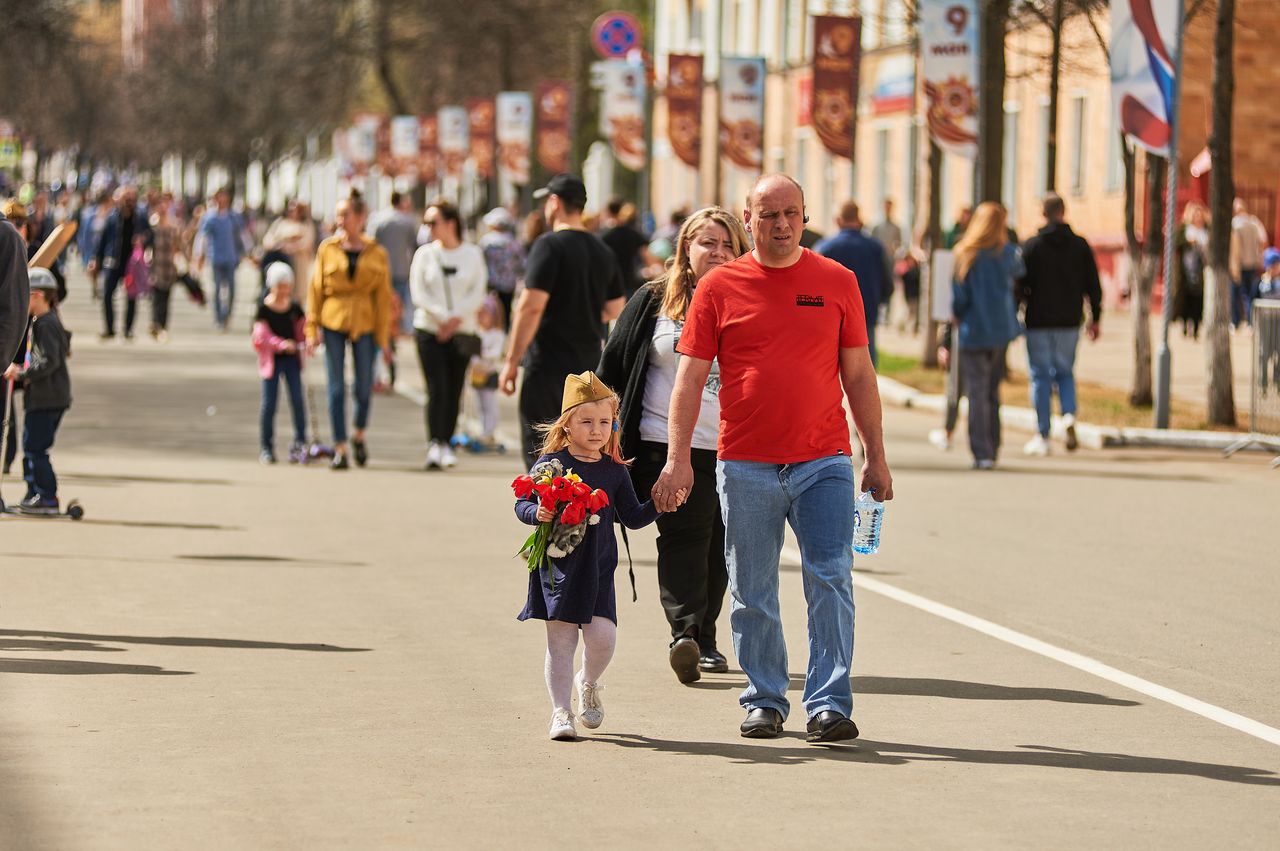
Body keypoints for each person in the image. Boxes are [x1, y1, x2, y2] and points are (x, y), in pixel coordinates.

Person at [651, 174, 893, 743]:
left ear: (804, 216)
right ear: (748, 218)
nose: (781, 225)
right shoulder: (720, 289)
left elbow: (858, 374)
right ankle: (764, 698)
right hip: (746, 463)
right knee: (752, 587)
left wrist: (874, 455)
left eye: (791, 214)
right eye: (768, 215)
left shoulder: (837, 281)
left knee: (830, 578)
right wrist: (677, 458)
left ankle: (829, 703)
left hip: (824, 461)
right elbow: (688, 380)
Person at [597, 206, 750, 683]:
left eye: (728, 245)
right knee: (686, 533)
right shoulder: (653, 301)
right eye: (708, 242)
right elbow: (613, 367)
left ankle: (705, 634)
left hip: (734, 445)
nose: (718, 252)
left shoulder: (751, 302)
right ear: (686, 247)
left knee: (724, 545)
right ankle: (686, 633)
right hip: (665, 444)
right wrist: (593, 432)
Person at [514, 371, 661, 740]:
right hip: (558, 569)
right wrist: (537, 513)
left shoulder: (614, 471)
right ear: (567, 425)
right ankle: (561, 712)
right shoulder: (552, 465)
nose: (597, 430)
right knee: (560, 642)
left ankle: (589, 681)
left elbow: (632, 517)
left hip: (597, 572)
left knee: (602, 639)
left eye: (605, 422)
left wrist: (660, 504)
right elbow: (523, 502)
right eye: (587, 421)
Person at [499, 174, 626, 467]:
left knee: (542, 448)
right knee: (581, 449)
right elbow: (615, 308)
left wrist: (511, 360)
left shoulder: (549, 246)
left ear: (554, 203)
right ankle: (575, 509)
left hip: (548, 363)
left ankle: (547, 509)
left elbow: (531, 307)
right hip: (587, 367)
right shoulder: (602, 251)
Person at [306, 189, 393, 471]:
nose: (339, 220)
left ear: (360, 217)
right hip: (333, 320)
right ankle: (340, 446)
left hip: (366, 322)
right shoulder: (327, 248)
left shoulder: (377, 252)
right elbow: (316, 289)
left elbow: (383, 297)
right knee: (335, 386)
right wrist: (311, 328)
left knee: (364, 385)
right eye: (338, 215)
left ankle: (358, 433)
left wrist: (385, 338)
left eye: (345, 215)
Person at [1017, 193, 1102, 456]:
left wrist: (1016, 311)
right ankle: (1068, 415)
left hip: (1039, 321)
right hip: (1069, 321)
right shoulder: (1080, 245)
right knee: (1065, 372)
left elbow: (1020, 285)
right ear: (1063, 212)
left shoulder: (1032, 246)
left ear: (1044, 213)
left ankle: (1043, 434)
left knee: (1040, 376)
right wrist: (1095, 317)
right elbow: (1093, 285)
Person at [410, 198, 488, 470]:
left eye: (434, 222)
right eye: (426, 222)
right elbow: (419, 293)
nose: (429, 228)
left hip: (462, 331)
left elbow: (477, 292)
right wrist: (442, 319)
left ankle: (447, 441)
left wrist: (454, 321)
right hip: (429, 330)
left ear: (451, 223)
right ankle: (434, 442)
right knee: (437, 387)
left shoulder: (472, 254)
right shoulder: (425, 254)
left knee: (455, 388)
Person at [951, 202, 1024, 470]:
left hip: (973, 328)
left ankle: (981, 451)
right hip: (1001, 329)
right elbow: (1017, 281)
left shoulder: (965, 254)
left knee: (977, 392)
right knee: (993, 390)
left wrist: (957, 315)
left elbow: (960, 297)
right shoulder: (1008, 254)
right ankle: (993, 446)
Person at [3, 269, 70, 514]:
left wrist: (22, 374)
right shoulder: (40, 322)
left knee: (35, 448)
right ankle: (33, 491)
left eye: (25, 295)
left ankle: (47, 495)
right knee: (30, 445)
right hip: (41, 397)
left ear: (38, 295)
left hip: (48, 398)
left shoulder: (47, 324)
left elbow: (49, 361)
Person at [815, 201, 885, 366]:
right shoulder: (875, 247)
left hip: (831, 317)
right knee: (865, 368)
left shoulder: (825, 248)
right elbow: (887, 282)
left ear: (838, 220)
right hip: (866, 313)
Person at [253, 263, 308, 465]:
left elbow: (304, 329)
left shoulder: (294, 308)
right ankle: (266, 447)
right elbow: (260, 337)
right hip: (272, 362)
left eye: (287, 285)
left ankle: (300, 442)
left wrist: (308, 339)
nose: (284, 290)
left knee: (297, 401)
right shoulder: (263, 309)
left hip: (292, 361)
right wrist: (281, 344)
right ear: (272, 286)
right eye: (280, 286)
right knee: (269, 404)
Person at [90, 185, 149, 340]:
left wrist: (143, 239)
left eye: (131, 199)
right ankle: (109, 328)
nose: (128, 201)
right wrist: (96, 258)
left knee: (131, 297)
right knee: (107, 295)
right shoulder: (112, 216)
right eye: (125, 198)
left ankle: (128, 329)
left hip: (132, 263)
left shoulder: (140, 217)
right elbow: (102, 239)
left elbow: (150, 235)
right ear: (119, 200)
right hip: (113, 261)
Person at [196, 187, 246, 332]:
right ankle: (219, 317)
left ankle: (227, 314)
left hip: (231, 258)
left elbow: (242, 236)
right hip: (216, 258)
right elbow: (202, 238)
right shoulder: (210, 218)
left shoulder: (233, 217)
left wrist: (247, 252)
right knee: (217, 289)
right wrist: (199, 255)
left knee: (231, 289)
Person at [369, 191, 418, 336]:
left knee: (384, 305)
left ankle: (387, 332)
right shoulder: (407, 221)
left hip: (382, 268)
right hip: (401, 269)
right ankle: (397, 332)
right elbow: (413, 244)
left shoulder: (378, 220)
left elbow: (371, 243)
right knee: (400, 306)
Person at [262, 201, 317, 308]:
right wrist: (277, 246)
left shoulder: (305, 225)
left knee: (298, 292)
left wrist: (291, 247)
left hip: (299, 263)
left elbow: (307, 243)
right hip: (282, 261)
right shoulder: (280, 223)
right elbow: (268, 239)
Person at [478, 207, 525, 331]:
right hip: (508, 285)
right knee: (505, 314)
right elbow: (522, 264)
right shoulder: (513, 243)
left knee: (490, 313)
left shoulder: (486, 242)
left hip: (490, 284)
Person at [470, 296, 506, 450]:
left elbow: (495, 353)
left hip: (489, 373)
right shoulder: (477, 333)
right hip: (477, 374)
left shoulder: (497, 334)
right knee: (479, 404)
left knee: (489, 403)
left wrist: (482, 355)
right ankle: (483, 430)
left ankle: (489, 431)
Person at [600, 198, 655, 300]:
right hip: (629, 281)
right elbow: (647, 256)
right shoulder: (633, 233)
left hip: (609, 282)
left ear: (608, 212)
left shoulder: (604, 235)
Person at [146, 203, 184, 342]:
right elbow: (148, 245)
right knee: (156, 298)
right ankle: (155, 323)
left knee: (165, 298)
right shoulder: (153, 227)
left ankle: (162, 326)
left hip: (168, 266)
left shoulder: (173, 228)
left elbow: (178, 246)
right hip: (156, 266)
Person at [1229, 198, 1268, 329]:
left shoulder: (1234, 224)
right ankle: (1249, 321)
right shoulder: (1254, 222)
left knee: (1238, 293)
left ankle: (1236, 321)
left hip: (1239, 264)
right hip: (1251, 262)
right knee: (1248, 294)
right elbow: (1263, 241)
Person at [1173, 202, 1208, 339]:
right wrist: (1188, 242)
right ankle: (1185, 325)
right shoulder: (1184, 229)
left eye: (1200, 214)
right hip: (1185, 270)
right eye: (1195, 214)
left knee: (1198, 300)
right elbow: (1176, 243)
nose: (1198, 217)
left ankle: (1196, 327)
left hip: (1202, 271)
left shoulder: (1206, 230)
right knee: (1185, 299)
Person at [871, 198, 902, 326]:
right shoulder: (877, 227)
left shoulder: (896, 228)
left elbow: (898, 244)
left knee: (889, 286)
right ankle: (881, 314)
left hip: (890, 261)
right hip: (879, 261)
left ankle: (888, 315)